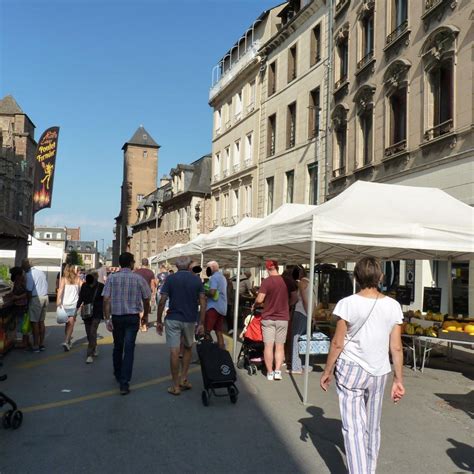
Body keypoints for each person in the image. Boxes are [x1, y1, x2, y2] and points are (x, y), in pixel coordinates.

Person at [320, 257, 405, 474]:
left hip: (351, 368)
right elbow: (396, 347)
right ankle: (369, 469)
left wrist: (327, 371)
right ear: (381, 277)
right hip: (379, 370)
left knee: (354, 429)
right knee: (372, 426)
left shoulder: (347, 303)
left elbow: (338, 342)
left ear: (356, 277)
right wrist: (398, 379)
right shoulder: (393, 306)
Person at [156, 256, 206, 396]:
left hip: (173, 318)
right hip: (190, 319)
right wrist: (201, 322)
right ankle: (184, 378)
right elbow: (203, 301)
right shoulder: (196, 279)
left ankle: (175, 385)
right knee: (189, 347)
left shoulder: (170, 279)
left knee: (174, 351)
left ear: (177, 266)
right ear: (189, 265)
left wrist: (159, 320)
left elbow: (162, 300)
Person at [103, 252, 151, 395]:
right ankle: (124, 383)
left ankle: (118, 373)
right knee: (129, 348)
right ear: (131, 263)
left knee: (118, 346)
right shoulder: (138, 278)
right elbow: (147, 298)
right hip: (132, 317)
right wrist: (145, 316)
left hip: (117, 317)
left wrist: (107, 318)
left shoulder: (111, 278)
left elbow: (106, 299)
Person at [253, 259, 290, 381]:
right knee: (280, 346)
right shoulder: (286, 281)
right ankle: (278, 371)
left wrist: (255, 303)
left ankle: (270, 372)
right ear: (277, 268)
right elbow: (295, 297)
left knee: (268, 346)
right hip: (283, 318)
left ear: (268, 269)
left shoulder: (267, 282)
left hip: (268, 318)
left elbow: (259, 299)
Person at [288, 266, 315, 374]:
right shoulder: (311, 282)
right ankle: (306, 365)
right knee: (305, 339)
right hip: (307, 313)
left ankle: (296, 367)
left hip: (301, 312)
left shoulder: (302, 283)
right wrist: (312, 315)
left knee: (295, 338)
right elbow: (314, 301)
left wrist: (308, 313)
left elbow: (304, 299)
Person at [75, 272, 104, 364]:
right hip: (86, 312)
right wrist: (76, 308)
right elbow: (81, 297)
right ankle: (94, 347)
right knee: (89, 333)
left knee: (92, 331)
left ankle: (89, 354)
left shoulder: (101, 286)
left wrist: (107, 313)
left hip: (97, 312)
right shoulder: (84, 285)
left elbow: (105, 299)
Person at [22, 259, 49, 353]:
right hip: (45, 297)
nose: (22, 268)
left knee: (35, 323)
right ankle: (42, 344)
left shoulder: (29, 275)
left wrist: (27, 303)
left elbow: (29, 290)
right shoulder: (41, 272)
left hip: (36, 299)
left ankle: (36, 345)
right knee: (41, 322)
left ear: (26, 266)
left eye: (23, 266)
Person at [57, 264, 81, 351]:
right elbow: (84, 288)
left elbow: (60, 290)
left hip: (64, 305)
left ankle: (67, 341)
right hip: (74, 305)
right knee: (70, 324)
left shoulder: (63, 279)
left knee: (68, 324)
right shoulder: (78, 280)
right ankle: (67, 341)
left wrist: (58, 301)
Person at [204, 260, 227, 349]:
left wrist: (204, 292)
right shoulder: (222, 277)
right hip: (222, 307)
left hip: (213, 307)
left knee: (206, 331)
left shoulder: (214, 278)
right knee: (219, 331)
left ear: (212, 268)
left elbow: (212, 292)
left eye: (208, 268)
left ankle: (206, 353)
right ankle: (221, 351)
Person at [134, 258, 157, 331]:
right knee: (146, 308)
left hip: (138, 292)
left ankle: (142, 324)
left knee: (140, 309)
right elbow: (152, 284)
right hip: (147, 292)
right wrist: (153, 294)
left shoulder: (136, 272)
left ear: (141, 263)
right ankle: (144, 324)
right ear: (148, 264)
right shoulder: (150, 272)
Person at [9, 267, 29, 349]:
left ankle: (25, 343)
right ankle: (26, 341)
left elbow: (26, 293)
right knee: (24, 324)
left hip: (22, 306)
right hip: (20, 305)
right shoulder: (19, 280)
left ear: (17, 275)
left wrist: (17, 297)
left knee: (23, 324)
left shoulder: (22, 281)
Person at [223, 270, 234, 335]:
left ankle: (230, 329)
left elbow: (229, 292)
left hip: (226, 301)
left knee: (228, 315)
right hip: (227, 301)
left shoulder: (228, 282)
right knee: (228, 315)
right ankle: (230, 329)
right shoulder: (229, 282)